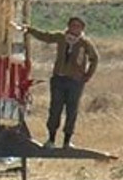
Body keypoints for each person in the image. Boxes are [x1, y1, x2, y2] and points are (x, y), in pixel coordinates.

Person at [23, 16, 99, 149]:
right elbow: (45, 36)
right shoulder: (61, 37)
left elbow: (95, 58)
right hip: (59, 79)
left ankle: (67, 141)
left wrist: (87, 76)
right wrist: (30, 30)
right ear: (68, 26)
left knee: (71, 110)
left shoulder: (85, 43)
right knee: (55, 109)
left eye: (78, 26)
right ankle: (51, 139)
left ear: (82, 28)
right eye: (73, 25)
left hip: (75, 81)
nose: (75, 28)